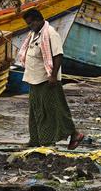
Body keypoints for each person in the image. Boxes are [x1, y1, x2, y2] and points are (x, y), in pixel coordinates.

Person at [18, 8, 84, 148]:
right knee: (36, 110)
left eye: (30, 23)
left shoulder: (50, 34)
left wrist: (53, 76)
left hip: (46, 79)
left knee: (50, 111)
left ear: (38, 20)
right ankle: (35, 139)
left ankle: (51, 140)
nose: (29, 26)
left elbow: (58, 55)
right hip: (34, 79)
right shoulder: (34, 34)